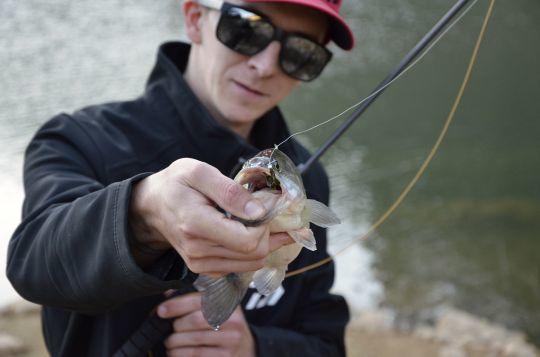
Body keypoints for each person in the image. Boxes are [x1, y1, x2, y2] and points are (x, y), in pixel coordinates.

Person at [7, 0, 355, 355]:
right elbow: (32, 263)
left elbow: (326, 343)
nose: (264, 66)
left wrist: (257, 348)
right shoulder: (78, 140)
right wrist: (142, 216)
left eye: (301, 52)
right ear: (193, 19)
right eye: (246, 29)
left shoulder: (305, 178)